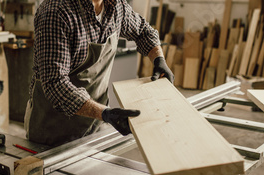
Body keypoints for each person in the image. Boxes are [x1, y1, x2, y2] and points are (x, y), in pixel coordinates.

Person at [24, 0, 174, 146]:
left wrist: (158, 59)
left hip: (95, 125)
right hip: (52, 132)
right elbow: (55, 83)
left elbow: (144, 31)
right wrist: (104, 113)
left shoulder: (116, 6)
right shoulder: (56, 12)